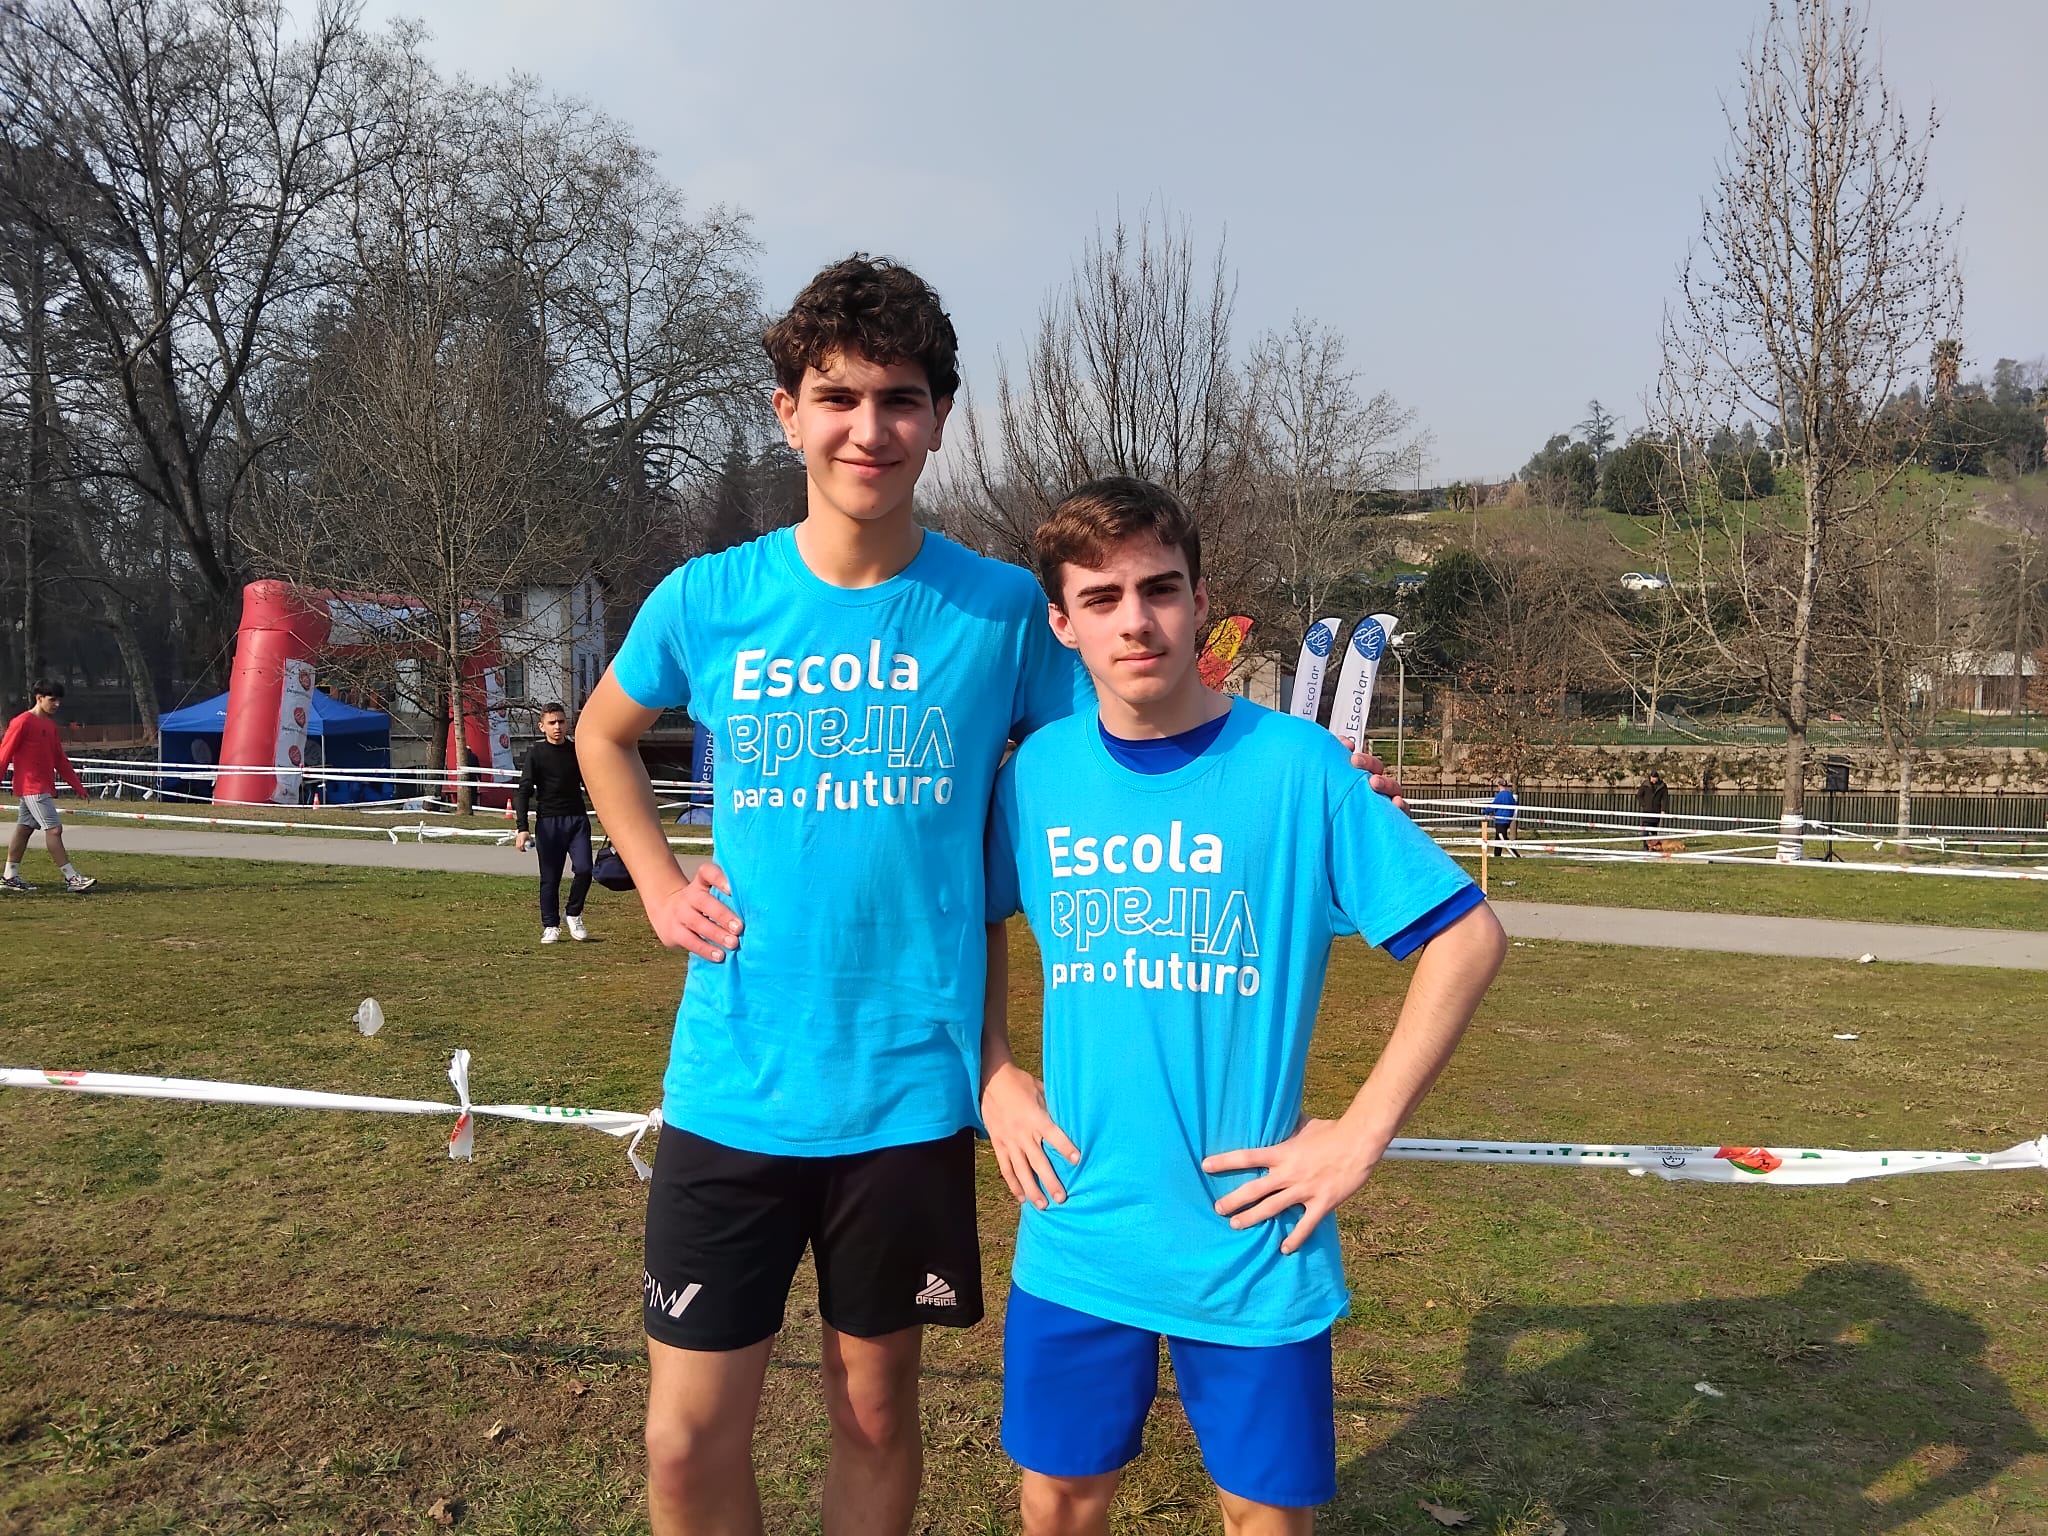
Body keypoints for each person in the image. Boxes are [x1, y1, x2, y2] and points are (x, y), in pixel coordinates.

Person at [573, 256, 1407, 1536]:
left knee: (871, 1414)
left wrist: (1301, 777)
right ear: (787, 413)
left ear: (937, 418)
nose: (867, 428)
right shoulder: (708, 597)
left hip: (912, 1087)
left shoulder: (1003, 610)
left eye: (898, 399)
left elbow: (1133, 750)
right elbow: (602, 733)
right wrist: (652, 876)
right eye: (835, 397)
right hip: (733, 1079)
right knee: (680, 1441)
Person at [979, 479, 1505, 1535]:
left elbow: (1467, 937)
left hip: (1248, 1240)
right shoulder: (1035, 776)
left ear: (1199, 602)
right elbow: (971, 921)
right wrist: (993, 1072)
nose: (1135, 621)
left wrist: (1360, 1134)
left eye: (1160, 589)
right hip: (1078, 1228)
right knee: (1058, 1505)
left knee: (1262, 1519)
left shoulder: (1298, 769)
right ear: (1062, 622)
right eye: (1101, 598)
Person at [1, 680, 95, 894]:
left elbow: (59, 759)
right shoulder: (22, 722)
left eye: (59, 700)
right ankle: (72, 878)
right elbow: (4, 753)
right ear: (39, 698)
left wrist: (77, 786)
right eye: (52, 700)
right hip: (32, 787)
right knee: (54, 829)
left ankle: (9, 876)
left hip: (42, 786)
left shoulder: (50, 726)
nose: (57, 704)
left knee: (24, 829)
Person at [513, 701, 593, 944]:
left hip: (577, 819)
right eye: (552, 723)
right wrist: (522, 828)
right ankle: (550, 925)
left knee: (585, 869)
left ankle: (573, 913)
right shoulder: (536, 753)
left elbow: (593, 785)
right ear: (542, 726)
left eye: (561, 721)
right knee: (550, 878)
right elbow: (523, 791)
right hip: (549, 822)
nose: (557, 726)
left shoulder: (577, 750)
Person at [1635, 770, 1669, 851]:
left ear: (1657, 778)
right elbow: (1639, 795)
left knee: (1654, 829)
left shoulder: (1662, 786)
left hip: (1656, 810)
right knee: (1645, 829)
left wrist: (1663, 809)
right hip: (1646, 810)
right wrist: (1644, 804)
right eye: (1652, 778)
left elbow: (1665, 799)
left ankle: (1653, 845)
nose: (1653, 779)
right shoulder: (1645, 785)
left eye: (1655, 778)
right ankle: (1645, 845)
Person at [1488, 779, 1519, 856]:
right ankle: (1497, 855)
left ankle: (1515, 855)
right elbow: (1513, 805)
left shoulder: (1500, 795)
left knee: (1502, 838)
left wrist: (1485, 811)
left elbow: (1494, 805)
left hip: (1501, 820)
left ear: (1499, 786)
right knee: (1498, 838)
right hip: (1507, 820)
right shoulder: (1510, 795)